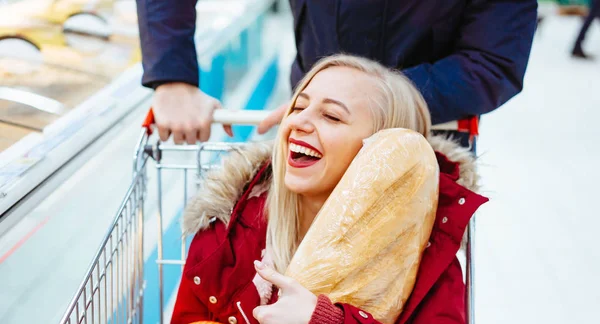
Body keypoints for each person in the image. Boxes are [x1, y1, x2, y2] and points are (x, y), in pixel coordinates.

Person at [134, 54, 489, 324]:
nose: (298, 123)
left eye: (331, 116)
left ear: (384, 156)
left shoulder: (424, 259)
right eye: (298, 106)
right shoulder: (227, 232)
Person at [135, 0, 538, 144]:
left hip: (422, 148)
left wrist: (347, 102)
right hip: (309, 145)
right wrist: (172, 76)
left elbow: (493, 62)